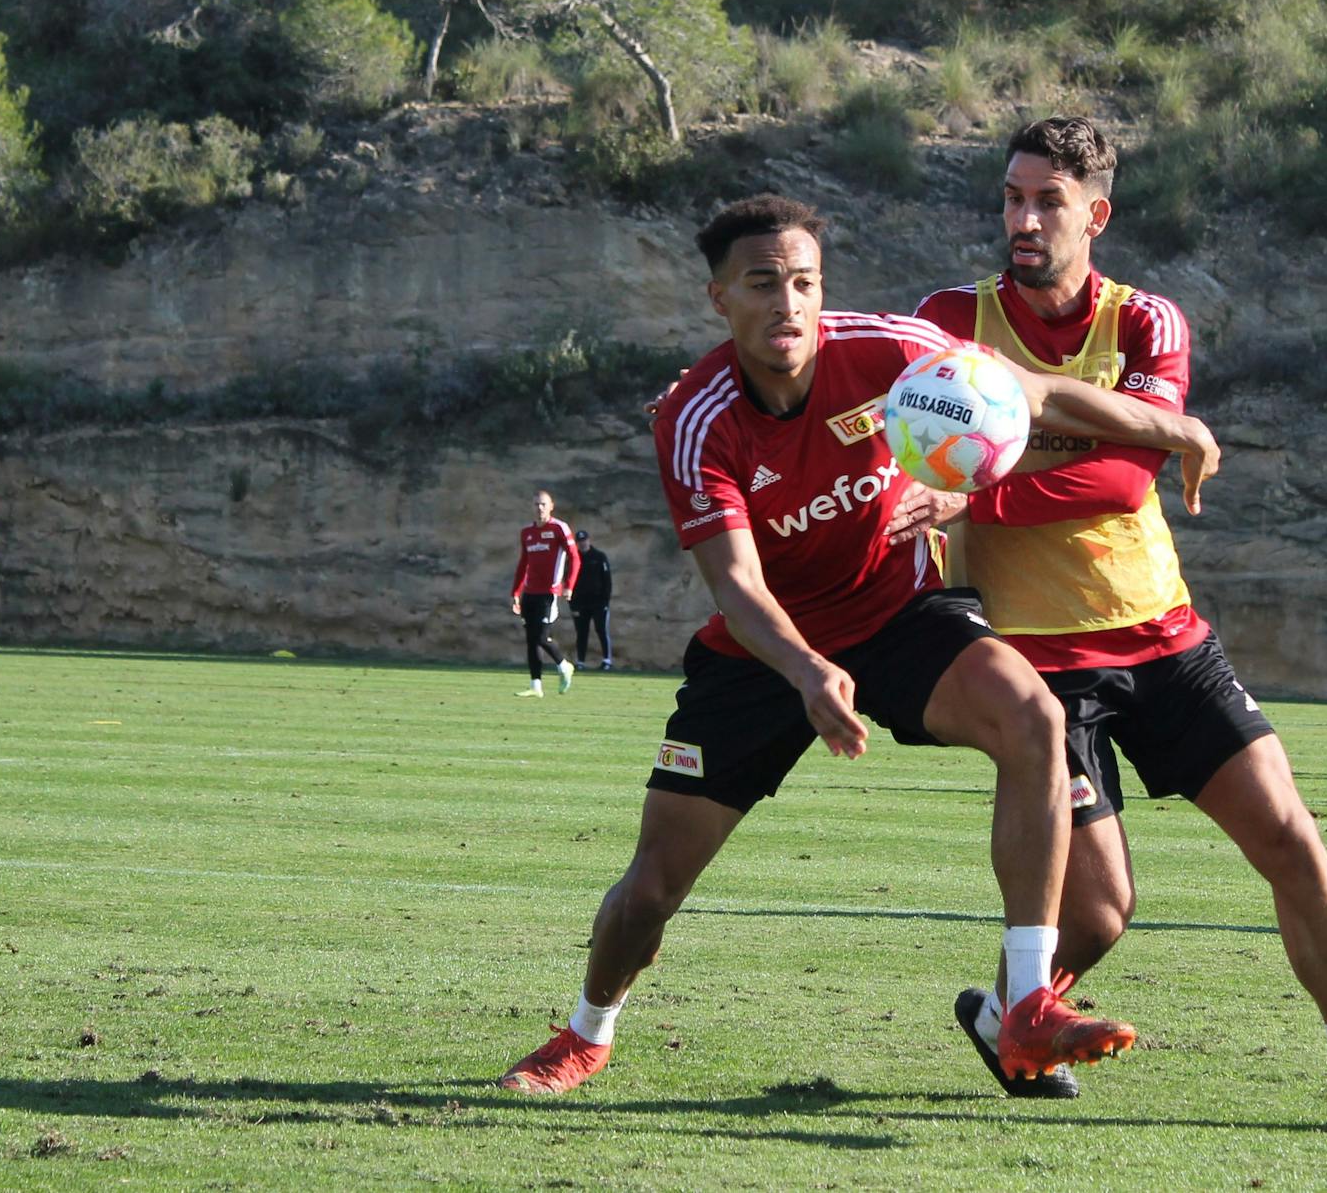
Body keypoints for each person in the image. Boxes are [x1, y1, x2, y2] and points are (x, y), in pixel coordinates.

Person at [497, 192, 1221, 1096]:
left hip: (898, 614)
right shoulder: (694, 417)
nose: (788, 303)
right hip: (764, 653)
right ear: (720, 297)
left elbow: (1030, 392)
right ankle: (586, 1031)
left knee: (1033, 715)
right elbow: (738, 586)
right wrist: (807, 671)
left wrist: (1179, 427)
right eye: (763, 283)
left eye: (804, 282)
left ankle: (1029, 999)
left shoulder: (890, 350)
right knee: (652, 887)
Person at [894, 116, 1327, 1140]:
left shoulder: (1147, 320)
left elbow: (1120, 476)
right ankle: (1011, 1017)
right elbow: (915, 436)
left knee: (1291, 839)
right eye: (1012, 198)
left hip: (1163, 635)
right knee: (1101, 911)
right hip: (1034, 665)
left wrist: (982, 486)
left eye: (1047, 201)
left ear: (1095, 214)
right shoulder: (949, 320)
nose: (1022, 219)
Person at [510, 490, 580, 698]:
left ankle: (564, 665)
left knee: (540, 636)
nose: (539, 508)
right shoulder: (527, 533)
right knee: (531, 640)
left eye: (543, 504)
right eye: (536, 504)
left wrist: (569, 585)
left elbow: (575, 558)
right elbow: (523, 564)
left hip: (549, 593)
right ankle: (536, 686)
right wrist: (516, 591)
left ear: (551, 506)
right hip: (529, 594)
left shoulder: (559, 528)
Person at [570, 529, 613, 670]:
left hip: (599, 602)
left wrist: (605, 601)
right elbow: (569, 581)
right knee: (581, 632)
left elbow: (607, 581)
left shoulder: (599, 557)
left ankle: (607, 660)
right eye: (579, 541)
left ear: (589, 540)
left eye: (584, 540)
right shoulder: (574, 559)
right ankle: (580, 661)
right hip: (580, 603)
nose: (582, 543)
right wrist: (572, 604)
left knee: (601, 630)